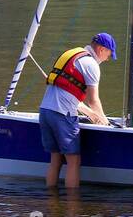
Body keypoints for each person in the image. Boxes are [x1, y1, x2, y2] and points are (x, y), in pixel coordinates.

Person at [39, 33, 116, 188]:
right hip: (63, 114)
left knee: (55, 159)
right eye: (108, 54)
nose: (107, 59)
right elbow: (93, 100)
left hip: (45, 111)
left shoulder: (73, 54)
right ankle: (72, 206)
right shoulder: (92, 64)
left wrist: (91, 114)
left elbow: (70, 94)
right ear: (101, 49)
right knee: (73, 161)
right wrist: (105, 123)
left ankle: (51, 200)